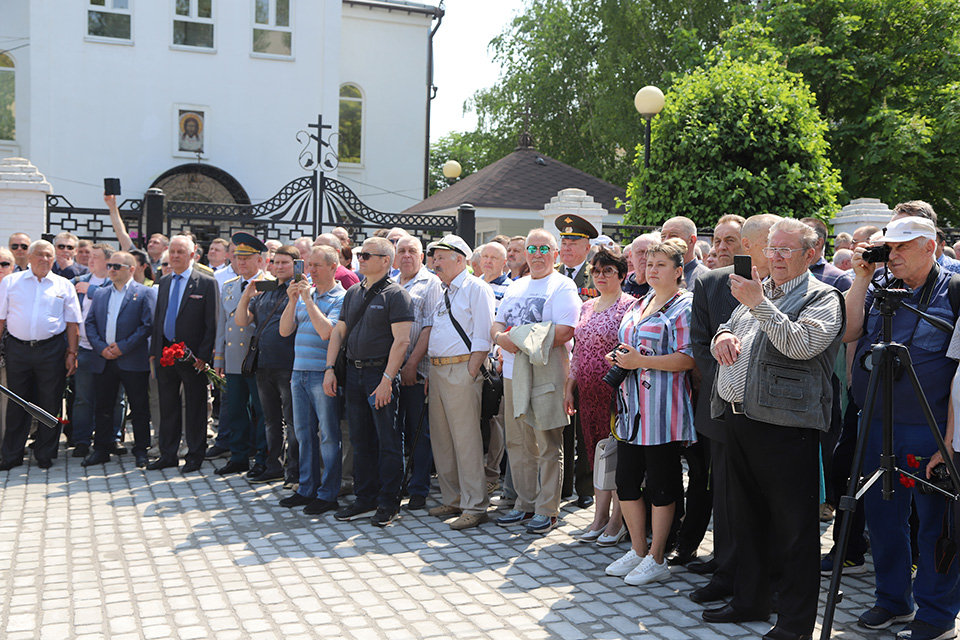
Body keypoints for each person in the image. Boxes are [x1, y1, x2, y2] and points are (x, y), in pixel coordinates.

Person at [703, 218, 844, 640]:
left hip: (786, 427)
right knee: (746, 520)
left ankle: (796, 624)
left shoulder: (823, 297)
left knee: (795, 530)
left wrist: (759, 303)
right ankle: (751, 600)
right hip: (739, 419)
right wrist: (721, 336)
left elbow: (800, 344)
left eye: (786, 249)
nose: (776, 256)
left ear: (811, 254)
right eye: (772, 248)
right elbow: (733, 325)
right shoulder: (763, 289)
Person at [846, 214, 960, 640]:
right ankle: (893, 600)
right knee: (882, 515)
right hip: (876, 421)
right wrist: (860, 280)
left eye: (903, 247)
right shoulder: (879, 289)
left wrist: (950, 443)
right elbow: (850, 332)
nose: (892, 255)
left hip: (930, 428)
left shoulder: (954, 291)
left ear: (931, 247)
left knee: (937, 522)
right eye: (889, 247)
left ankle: (937, 614)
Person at [686, 213, 777, 603]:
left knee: (767, 498)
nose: (722, 248)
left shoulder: (781, 285)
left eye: (732, 240)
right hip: (721, 408)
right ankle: (726, 573)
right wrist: (729, 387)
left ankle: (769, 579)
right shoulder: (708, 283)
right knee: (724, 496)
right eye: (717, 240)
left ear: (753, 246)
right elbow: (701, 346)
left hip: (770, 413)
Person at [603, 239, 695, 586]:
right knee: (626, 480)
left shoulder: (684, 306)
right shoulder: (639, 302)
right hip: (631, 409)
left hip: (663, 411)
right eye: (649, 263)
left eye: (660, 265)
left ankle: (658, 557)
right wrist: (618, 357)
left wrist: (641, 361)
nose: (652, 269)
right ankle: (638, 551)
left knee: (661, 484)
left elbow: (688, 358)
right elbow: (628, 345)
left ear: (678, 270)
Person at [492, 229, 581, 535]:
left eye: (545, 248)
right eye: (532, 248)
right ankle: (524, 503)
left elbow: (566, 331)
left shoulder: (563, 286)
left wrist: (517, 338)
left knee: (547, 443)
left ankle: (547, 509)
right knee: (518, 442)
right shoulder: (516, 286)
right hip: (512, 373)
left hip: (546, 373)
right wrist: (501, 337)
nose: (538, 254)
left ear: (556, 254)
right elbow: (498, 322)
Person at [324, 236, 413, 527]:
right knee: (360, 439)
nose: (359, 259)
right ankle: (365, 497)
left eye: (366, 255)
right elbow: (338, 332)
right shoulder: (352, 294)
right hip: (353, 373)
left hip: (379, 375)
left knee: (387, 441)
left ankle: (389, 502)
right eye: (360, 254)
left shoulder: (396, 295)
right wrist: (329, 369)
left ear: (385, 261)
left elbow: (402, 342)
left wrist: (388, 380)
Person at [564, 248, 634, 544]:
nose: (601, 276)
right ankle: (599, 514)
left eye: (608, 271)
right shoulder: (586, 307)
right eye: (596, 271)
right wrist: (570, 386)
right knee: (595, 453)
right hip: (587, 393)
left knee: (615, 455)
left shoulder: (631, 306)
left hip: (615, 391)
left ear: (621, 274)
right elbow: (577, 352)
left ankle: (618, 520)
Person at [426, 235, 495, 530]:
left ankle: (475, 505)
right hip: (439, 370)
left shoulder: (476, 288)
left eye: (441, 257)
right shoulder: (442, 290)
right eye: (434, 257)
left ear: (460, 259)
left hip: (462, 369)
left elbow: (484, 334)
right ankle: (453, 497)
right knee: (442, 439)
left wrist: (470, 371)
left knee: (466, 440)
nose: (435, 262)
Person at [0, 240, 82, 470]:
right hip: (18, 349)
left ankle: (45, 453)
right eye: (40, 255)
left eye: (49, 255)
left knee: (50, 402)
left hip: (51, 350)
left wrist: (72, 353)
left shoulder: (63, 285)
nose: (44, 259)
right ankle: (12, 455)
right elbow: (1, 318)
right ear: (30, 257)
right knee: (17, 402)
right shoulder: (11, 282)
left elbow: (72, 323)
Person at [278, 245, 346, 515]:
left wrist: (307, 301)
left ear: (333, 267)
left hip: (322, 373)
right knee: (303, 434)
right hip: (299, 372)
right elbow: (285, 331)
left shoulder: (341, 297)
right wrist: (294, 300)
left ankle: (328, 493)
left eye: (317, 265)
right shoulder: (307, 295)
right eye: (309, 265)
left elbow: (327, 332)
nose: (311, 271)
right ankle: (307, 488)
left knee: (328, 436)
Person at [659, 216, 711, 566]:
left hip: (697, 389)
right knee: (666, 469)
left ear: (692, 240)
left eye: (675, 236)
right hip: (664, 394)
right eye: (664, 236)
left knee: (700, 472)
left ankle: (688, 541)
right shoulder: (656, 280)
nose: (669, 240)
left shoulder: (705, 280)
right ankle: (667, 532)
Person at [148, 235, 219, 473]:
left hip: (193, 358)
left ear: (193, 254)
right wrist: (154, 352)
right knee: (168, 406)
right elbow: (159, 318)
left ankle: (194, 455)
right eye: (172, 252)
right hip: (166, 354)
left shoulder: (206, 283)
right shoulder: (165, 281)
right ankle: (168, 454)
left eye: (181, 251)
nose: (175, 256)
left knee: (196, 407)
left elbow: (212, 323)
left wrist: (203, 357)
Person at [81, 251, 156, 468]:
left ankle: (141, 449)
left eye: (117, 266)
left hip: (132, 360)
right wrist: (101, 348)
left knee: (139, 408)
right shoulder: (102, 293)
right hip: (104, 359)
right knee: (103, 406)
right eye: (110, 265)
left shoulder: (144, 293)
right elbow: (91, 323)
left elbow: (147, 325)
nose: (111, 269)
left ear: (131, 270)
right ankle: (102, 449)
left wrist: (122, 347)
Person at [235, 245, 299, 486]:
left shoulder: (300, 291)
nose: (279, 267)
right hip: (263, 365)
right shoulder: (266, 291)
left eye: (285, 263)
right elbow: (242, 321)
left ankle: (294, 469)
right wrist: (246, 295)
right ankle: (274, 465)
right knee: (271, 420)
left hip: (289, 365)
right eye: (276, 262)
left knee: (292, 422)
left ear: (296, 265)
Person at [212, 233, 268, 477]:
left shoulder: (270, 285)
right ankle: (238, 456)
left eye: (247, 258)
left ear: (260, 260)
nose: (241, 263)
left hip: (257, 358)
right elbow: (223, 325)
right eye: (237, 257)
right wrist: (219, 359)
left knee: (262, 411)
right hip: (234, 357)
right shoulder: (229, 286)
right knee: (235, 410)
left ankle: (264, 458)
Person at [394, 236, 442, 512]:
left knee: (418, 432)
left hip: (418, 371)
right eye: (402, 251)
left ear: (422, 256)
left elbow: (430, 327)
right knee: (395, 431)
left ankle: (419, 489)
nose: (407, 255)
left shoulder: (431, 283)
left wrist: (412, 363)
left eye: (412, 251)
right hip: (391, 371)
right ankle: (397, 483)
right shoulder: (391, 281)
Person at [555, 214, 598, 509]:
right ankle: (561, 484)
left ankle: (585, 486)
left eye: (573, 241)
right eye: (564, 241)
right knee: (559, 426)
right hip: (557, 360)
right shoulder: (552, 275)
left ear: (587, 246)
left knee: (585, 426)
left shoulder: (596, 275)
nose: (567, 246)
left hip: (585, 362)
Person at [70, 243, 114, 459]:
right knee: (83, 398)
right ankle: (81, 440)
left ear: (107, 261)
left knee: (114, 398)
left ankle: (111, 438)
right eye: (89, 256)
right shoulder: (77, 281)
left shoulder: (112, 282)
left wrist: (95, 292)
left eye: (95, 256)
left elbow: (118, 300)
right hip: (84, 349)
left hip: (108, 349)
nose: (90, 259)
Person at [477, 241, 512, 492]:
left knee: (495, 422)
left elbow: (507, 326)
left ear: (504, 262)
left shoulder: (511, 289)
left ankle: (491, 474)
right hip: (469, 361)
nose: (488, 261)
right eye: (485, 256)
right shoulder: (472, 285)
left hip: (494, 364)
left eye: (494, 257)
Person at [622, 233, 660, 298]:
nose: (645, 257)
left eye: (650, 252)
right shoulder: (621, 285)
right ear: (631, 256)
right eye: (640, 252)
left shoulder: (663, 287)